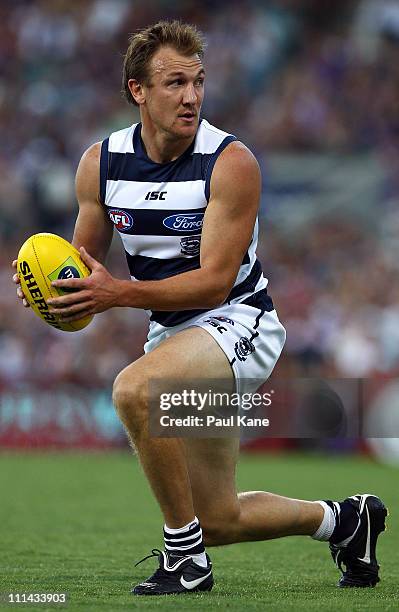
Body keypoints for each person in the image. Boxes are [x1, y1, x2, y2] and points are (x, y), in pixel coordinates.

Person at [13, 20, 386, 596]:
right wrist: (54, 297)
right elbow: (83, 275)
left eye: (198, 81)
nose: (190, 96)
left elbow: (213, 283)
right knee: (215, 518)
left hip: (240, 324)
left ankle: (183, 561)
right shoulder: (102, 163)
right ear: (138, 91)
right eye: (174, 83)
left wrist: (121, 294)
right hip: (175, 338)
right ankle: (345, 520)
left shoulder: (230, 162)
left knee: (134, 390)